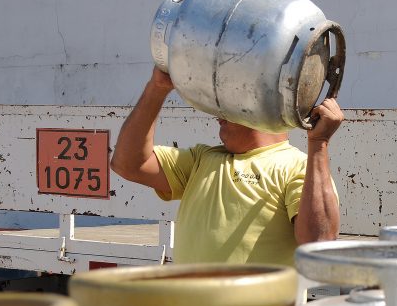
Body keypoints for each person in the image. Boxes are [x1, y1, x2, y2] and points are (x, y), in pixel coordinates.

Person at [110, 67, 343, 267]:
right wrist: (157, 87)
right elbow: (127, 164)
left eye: (229, 104)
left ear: (259, 109)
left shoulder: (298, 167)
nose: (218, 115)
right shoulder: (201, 159)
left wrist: (318, 143)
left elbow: (318, 245)